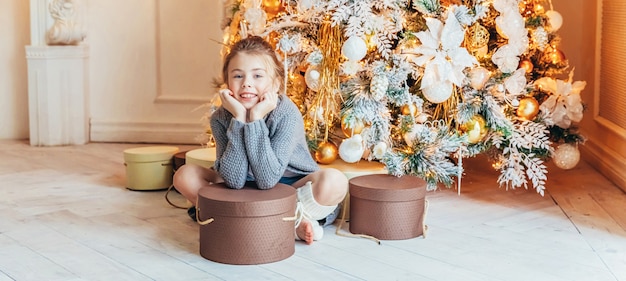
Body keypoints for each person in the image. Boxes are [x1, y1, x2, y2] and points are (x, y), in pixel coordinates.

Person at [173, 35, 349, 245]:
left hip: (289, 184)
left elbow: (268, 179)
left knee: (335, 182)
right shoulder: (221, 117)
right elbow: (234, 181)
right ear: (227, 83)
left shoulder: (285, 113)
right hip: (240, 187)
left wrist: (256, 118)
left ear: (275, 84)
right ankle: (284, 222)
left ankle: (274, 219)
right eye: (238, 76)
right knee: (184, 175)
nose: (247, 83)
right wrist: (239, 118)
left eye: (257, 76)